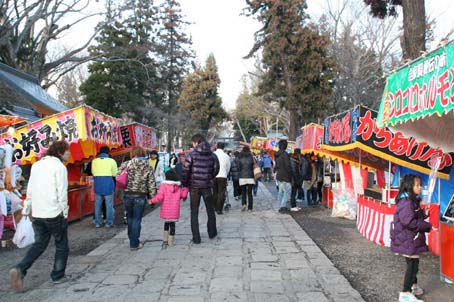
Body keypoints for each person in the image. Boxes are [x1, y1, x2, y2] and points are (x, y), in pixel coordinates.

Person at [10, 140, 71, 291]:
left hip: (37, 212)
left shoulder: (36, 165)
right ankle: (58, 276)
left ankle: (20, 268)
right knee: (62, 244)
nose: (69, 153)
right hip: (54, 212)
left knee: (39, 244)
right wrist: (65, 211)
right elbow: (62, 192)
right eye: (67, 150)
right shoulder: (59, 167)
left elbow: (29, 189)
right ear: (59, 152)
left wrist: (26, 210)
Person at [391, 174, 432, 302]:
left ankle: (413, 287)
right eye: (417, 185)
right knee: (412, 265)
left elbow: (413, 216)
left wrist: (423, 214)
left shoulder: (411, 201)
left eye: (420, 185)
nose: (420, 188)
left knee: (414, 263)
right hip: (408, 239)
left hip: (410, 239)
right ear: (409, 186)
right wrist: (427, 226)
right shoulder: (406, 203)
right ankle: (405, 292)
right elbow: (409, 222)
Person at [182, 134, 219, 244]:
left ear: (196, 142)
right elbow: (216, 169)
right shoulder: (212, 155)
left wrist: (185, 184)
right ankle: (212, 233)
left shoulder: (191, 155)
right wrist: (209, 177)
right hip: (207, 186)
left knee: (194, 212)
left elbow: (185, 171)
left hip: (194, 187)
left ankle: (196, 238)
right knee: (210, 210)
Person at [118, 146, 157, 250]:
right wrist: (153, 197)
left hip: (127, 194)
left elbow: (117, 175)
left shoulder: (127, 164)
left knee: (130, 218)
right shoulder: (147, 165)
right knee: (136, 219)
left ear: (132, 153)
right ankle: (134, 243)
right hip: (140, 195)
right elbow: (151, 182)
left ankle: (132, 239)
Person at [150, 169, 188, 249]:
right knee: (173, 225)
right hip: (174, 211)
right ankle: (171, 241)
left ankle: (165, 239)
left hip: (166, 211)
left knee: (166, 224)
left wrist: (151, 201)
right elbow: (183, 195)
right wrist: (185, 189)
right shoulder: (178, 187)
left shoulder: (163, 186)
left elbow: (159, 197)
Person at [91, 146, 118, 228]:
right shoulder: (112, 161)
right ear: (108, 152)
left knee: (97, 205)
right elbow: (114, 174)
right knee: (109, 205)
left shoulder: (94, 161)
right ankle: (108, 223)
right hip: (108, 185)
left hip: (98, 184)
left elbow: (93, 172)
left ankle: (98, 222)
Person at [274, 140, 292, 213]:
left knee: (280, 191)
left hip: (279, 175)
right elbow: (288, 166)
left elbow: (276, 165)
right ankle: (283, 206)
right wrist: (290, 174)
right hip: (285, 175)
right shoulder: (285, 154)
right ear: (285, 146)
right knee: (287, 191)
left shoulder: (277, 154)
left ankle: (280, 205)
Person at [213, 142, 231, 214]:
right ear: (223, 148)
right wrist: (226, 174)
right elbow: (228, 167)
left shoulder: (213, 154)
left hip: (213, 176)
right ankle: (219, 209)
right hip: (223, 176)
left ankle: (215, 207)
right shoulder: (226, 156)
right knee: (221, 192)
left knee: (214, 192)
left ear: (216, 146)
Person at [237, 146, 255, 212]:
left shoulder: (240, 157)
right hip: (250, 176)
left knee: (243, 192)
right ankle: (250, 208)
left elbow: (238, 167)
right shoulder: (251, 157)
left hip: (242, 177)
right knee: (250, 193)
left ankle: (244, 204)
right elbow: (254, 166)